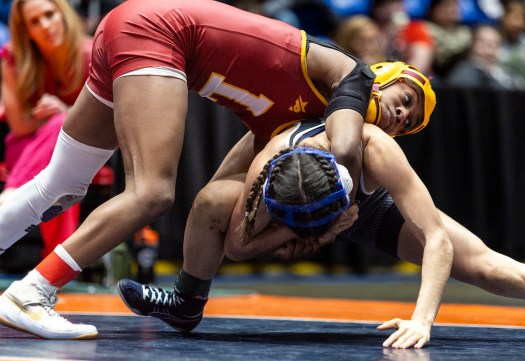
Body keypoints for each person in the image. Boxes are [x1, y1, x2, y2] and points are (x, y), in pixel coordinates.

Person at [0, 0, 436, 340]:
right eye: (404, 100)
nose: (400, 116)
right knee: (151, 194)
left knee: (62, 184)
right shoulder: (353, 77)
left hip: (132, 28)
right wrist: (333, 217)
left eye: (410, 122)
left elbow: (221, 190)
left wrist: (289, 223)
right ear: (383, 78)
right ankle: (32, 293)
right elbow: (343, 148)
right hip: (158, 35)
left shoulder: (290, 128)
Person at [117, 116, 525, 349]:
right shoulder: (271, 154)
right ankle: (188, 297)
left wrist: (424, 320)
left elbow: (437, 241)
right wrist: (309, 231)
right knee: (210, 199)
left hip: (369, 210)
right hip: (292, 209)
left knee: (492, 268)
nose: (401, 114)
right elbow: (237, 245)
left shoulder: (375, 148)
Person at [0, 0, 91, 258]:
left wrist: (65, 112)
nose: (45, 26)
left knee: (62, 166)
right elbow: (19, 126)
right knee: (61, 178)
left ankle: (8, 199)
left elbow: (108, 121)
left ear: (63, 14)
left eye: (49, 15)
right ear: (26, 31)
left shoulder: (92, 54)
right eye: (34, 22)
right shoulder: (12, 58)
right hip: (25, 149)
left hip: (76, 151)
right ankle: (53, 270)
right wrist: (55, 121)